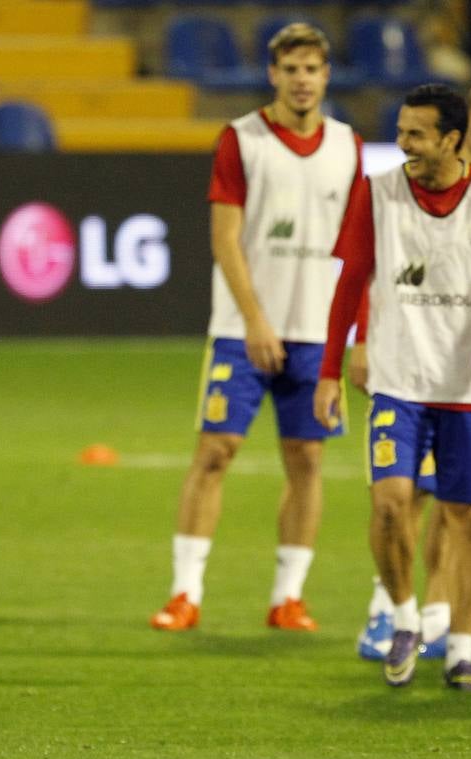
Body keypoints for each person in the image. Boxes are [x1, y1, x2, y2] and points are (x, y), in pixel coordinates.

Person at [314, 83, 471, 692]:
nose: (403, 142)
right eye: (401, 130)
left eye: (416, 133)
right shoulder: (379, 192)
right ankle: (405, 617)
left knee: (468, 520)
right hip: (399, 379)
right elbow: (350, 283)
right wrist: (331, 369)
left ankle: (461, 649)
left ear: (450, 138)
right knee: (390, 504)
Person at [150, 23, 361, 632]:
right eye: (291, 69)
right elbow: (225, 240)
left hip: (316, 332)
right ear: (273, 74)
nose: (301, 80)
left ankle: (288, 597)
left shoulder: (347, 144)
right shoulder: (240, 140)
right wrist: (255, 320)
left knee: (307, 460)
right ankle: (185, 592)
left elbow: (354, 248)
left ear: (326, 76)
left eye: (312, 70)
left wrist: (346, 335)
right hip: (244, 330)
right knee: (216, 451)